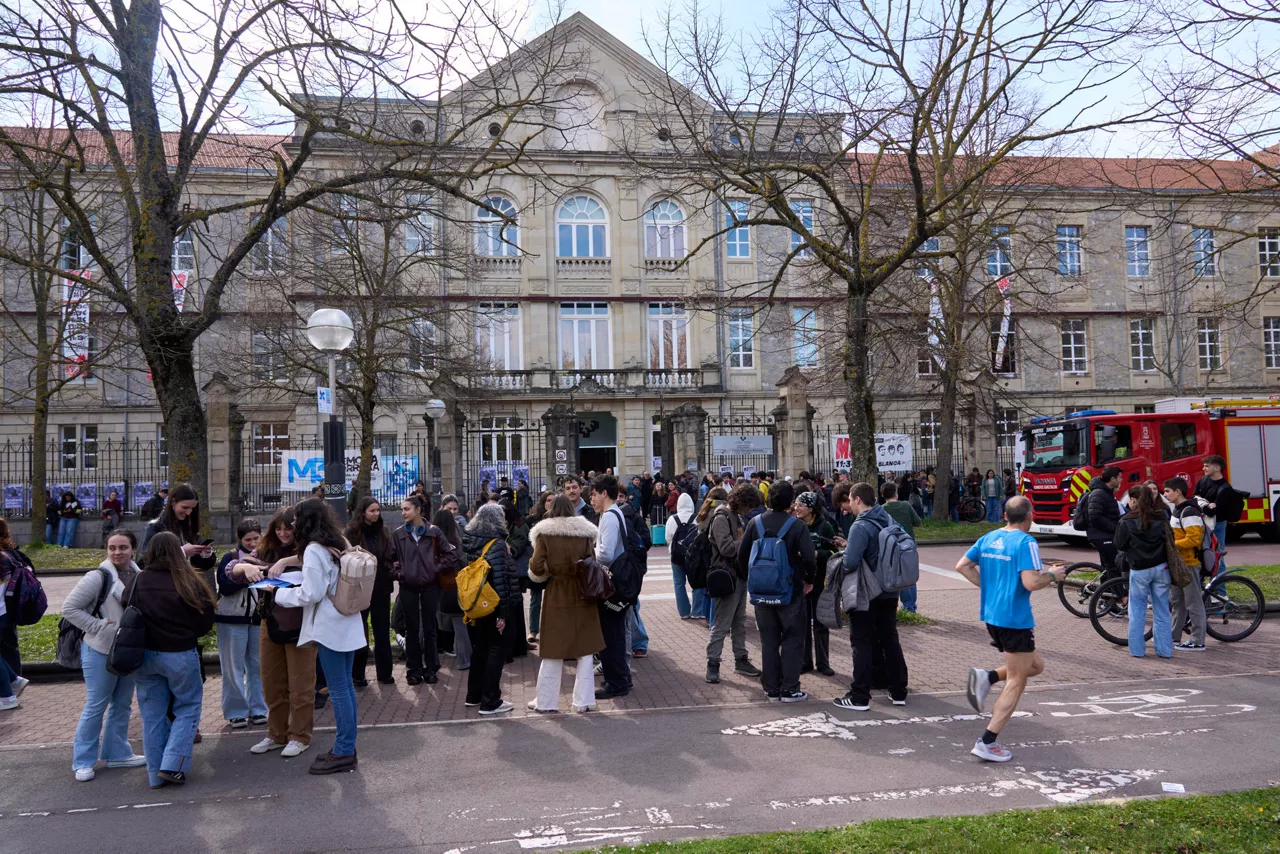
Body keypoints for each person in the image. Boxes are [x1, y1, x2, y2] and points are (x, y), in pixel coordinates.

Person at [955, 496, 1066, 762]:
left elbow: (962, 566)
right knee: (1018, 680)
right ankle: (987, 741)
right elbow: (1030, 583)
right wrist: (1053, 575)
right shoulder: (1027, 542)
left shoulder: (989, 537)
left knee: (1035, 666)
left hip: (992, 616)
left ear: (1005, 515)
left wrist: (991, 588)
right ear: (1030, 516)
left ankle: (988, 677)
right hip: (1015, 620)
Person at [275, 498, 365, 774]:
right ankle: (346, 747)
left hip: (330, 627)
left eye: (294, 520)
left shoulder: (314, 549)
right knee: (345, 689)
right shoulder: (338, 541)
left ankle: (344, 750)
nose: (291, 524)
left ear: (305, 521)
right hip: (348, 620)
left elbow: (311, 593)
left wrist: (279, 593)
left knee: (338, 691)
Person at [127, 531, 216, 787]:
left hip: (144, 654)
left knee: (152, 715)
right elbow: (205, 619)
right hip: (179, 652)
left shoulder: (138, 580)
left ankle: (156, 774)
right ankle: (173, 764)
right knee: (187, 708)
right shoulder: (187, 579)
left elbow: (127, 607)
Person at [62, 530, 147, 778]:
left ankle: (117, 753)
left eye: (122, 547)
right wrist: (98, 626)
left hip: (128, 650)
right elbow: (69, 608)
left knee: (122, 704)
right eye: (112, 548)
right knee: (96, 705)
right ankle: (83, 761)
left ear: (133, 549)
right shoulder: (97, 577)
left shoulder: (139, 575)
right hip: (99, 649)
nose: (117, 552)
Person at [241, 508, 313, 759]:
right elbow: (233, 567)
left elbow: (333, 555)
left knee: (300, 684)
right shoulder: (264, 549)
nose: (283, 534)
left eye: (288, 529)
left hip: (302, 624)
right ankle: (276, 734)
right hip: (270, 620)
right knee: (272, 682)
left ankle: (300, 736)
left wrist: (285, 561)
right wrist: (244, 568)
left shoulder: (311, 548)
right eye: (278, 529)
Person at [736, 482, 815, 702]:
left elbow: (742, 557)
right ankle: (790, 688)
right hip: (790, 591)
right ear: (791, 501)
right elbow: (809, 558)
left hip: (762, 591)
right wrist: (809, 580)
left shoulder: (754, 523)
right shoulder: (797, 526)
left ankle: (771, 687)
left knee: (768, 640)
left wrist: (752, 579)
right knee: (792, 638)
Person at [527, 495, 605, 713]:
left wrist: (546, 574)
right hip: (582, 591)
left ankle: (546, 701)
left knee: (553, 648)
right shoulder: (585, 533)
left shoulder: (545, 533)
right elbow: (592, 561)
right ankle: (583, 701)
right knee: (585, 648)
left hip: (557, 591)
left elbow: (535, 566)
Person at [834, 482, 908, 711]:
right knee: (889, 639)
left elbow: (851, 562)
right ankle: (898, 691)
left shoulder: (860, 525)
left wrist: (844, 552)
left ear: (856, 499)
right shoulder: (886, 518)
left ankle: (859, 696)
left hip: (867, 591)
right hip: (889, 589)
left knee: (861, 641)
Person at [461, 503, 521, 715]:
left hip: (479, 604)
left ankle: (474, 695)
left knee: (480, 648)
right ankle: (490, 700)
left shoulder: (470, 541)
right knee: (497, 650)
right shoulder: (496, 544)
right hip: (495, 606)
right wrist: (503, 613)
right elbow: (501, 581)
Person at [704, 484, 763, 685]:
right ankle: (713, 663)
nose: (750, 511)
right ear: (741, 502)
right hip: (726, 575)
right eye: (749, 506)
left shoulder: (735, 516)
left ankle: (741, 659)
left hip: (738, 574)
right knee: (721, 623)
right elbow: (727, 548)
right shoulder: (721, 517)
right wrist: (747, 540)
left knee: (739, 622)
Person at [391, 494, 450, 685]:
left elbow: (450, 555)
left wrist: (435, 569)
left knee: (430, 629)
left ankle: (431, 669)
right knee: (412, 629)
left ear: (418, 510)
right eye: (402, 509)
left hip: (430, 587)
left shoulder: (434, 532)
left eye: (406, 509)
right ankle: (413, 671)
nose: (403, 513)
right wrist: (400, 574)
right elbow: (389, 560)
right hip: (408, 587)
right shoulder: (399, 534)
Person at [214, 518, 267, 729]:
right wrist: (245, 574)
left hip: (256, 618)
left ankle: (258, 709)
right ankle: (236, 711)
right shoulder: (231, 557)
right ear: (240, 539)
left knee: (257, 665)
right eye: (248, 539)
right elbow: (224, 587)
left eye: (256, 538)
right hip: (231, 618)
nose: (253, 543)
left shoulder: (265, 557)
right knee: (232, 666)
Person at [1114, 485, 1174, 659]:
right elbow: (1170, 539)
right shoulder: (1162, 517)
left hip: (1139, 568)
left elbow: (1120, 544)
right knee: (1162, 609)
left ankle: (1137, 650)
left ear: (1134, 500)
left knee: (1137, 610)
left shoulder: (1126, 520)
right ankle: (1164, 650)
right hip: (1161, 566)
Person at [345, 497, 397, 685]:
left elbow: (389, 556)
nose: (376, 514)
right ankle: (358, 674)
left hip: (381, 587)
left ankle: (385, 673)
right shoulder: (352, 533)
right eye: (372, 511)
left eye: (378, 510)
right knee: (360, 631)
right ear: (363, 512)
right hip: (360, 588)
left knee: (382, 630)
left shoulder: (382, 531)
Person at [591, 475, 632, 700]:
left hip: (612, 582)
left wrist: (591, 551)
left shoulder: (609, 516)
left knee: (611, 635)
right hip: (620, 581)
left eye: (594, 494)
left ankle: (615, 682)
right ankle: (622, 678)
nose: (592, 500)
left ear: (603, 492)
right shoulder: (619, 512)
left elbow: (605, 554)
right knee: (616, 632)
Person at [792, 491, 836, 676]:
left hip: (819, 581)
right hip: (800, 581)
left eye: (801, 505)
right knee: (802, 623)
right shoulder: (794, 525)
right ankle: (805, 661)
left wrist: (819, 555)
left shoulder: (825, 527)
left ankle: (823, 662)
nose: (797, 508)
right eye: (796, 504)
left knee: (820, 622)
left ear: (811, 509)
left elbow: (834, 552)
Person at [1163, 477, 1207, 652]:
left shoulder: (1189, 512)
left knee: (1193, 602)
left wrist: (1172, 545)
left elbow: (1194, 539)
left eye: (1167, 491)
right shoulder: (1178, 510)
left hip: (1189, 563)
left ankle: (1197, 640)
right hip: (1179, 563)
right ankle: (1174, 635)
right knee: (1177, 601)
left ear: (1178, 492)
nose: (1165, 494)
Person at [141, 483, 215, 577]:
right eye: (185, 507)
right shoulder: (154, 527)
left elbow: (199, 565)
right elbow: (145, 560)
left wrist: (205, 554)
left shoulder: (188, 529)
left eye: (192, 508)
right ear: (173, 502)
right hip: (164, 585)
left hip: (186, 585)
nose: (189, 513)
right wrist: (181, 552)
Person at [431, 509, 471, 672]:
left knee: (434, 623)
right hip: (455, 586)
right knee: (459, 623)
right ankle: (464, 658)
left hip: (437, 586)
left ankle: (453, 658)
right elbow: (464, 562)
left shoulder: (432, 542)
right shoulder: (456, 541)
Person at [880, 481, 922, 614]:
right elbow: (918, 522)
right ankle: (910, 607)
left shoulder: (882, 509)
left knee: (896, 576)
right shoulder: (905, 505)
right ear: (896, 494)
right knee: (910, 575)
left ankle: (899, 605)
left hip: (891, 547)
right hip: (908, 545)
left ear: (882, 495)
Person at [666, 491, 707, 621]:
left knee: (679, 583)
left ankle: (684, 612)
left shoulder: (672, 519)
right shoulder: (696, 518)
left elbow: (668, 538)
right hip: (693, 557)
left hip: (676, 556)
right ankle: (697, 610)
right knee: (697, 582)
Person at [1194, 454, 1238, 574]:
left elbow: (1212, 511)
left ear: (1217, 468)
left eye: (1207, 466)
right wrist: (1206, 504)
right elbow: (1194, 498)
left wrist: (1204, 505)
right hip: (1203, 523)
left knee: (1218, 555)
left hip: (1217, 525)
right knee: (1204, 554)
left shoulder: (1225, 488)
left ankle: (1220, 590)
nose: (1203, 469)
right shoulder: (1203, 480)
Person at [525, 490, 557, 646]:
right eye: (548, 500)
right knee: (535, 599)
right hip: (538, 565)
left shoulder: (559, 521)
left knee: (552, 600)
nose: (550, 503)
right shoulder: (533, 520)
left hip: (553, 565)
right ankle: (533, 630)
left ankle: (551, 630)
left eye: (553, 500)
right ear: (543, 502)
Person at [501, 501, 532, 657]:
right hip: (512, 571)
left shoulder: (519, 526)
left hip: (516, 571)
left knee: (516, 607)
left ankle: (519, 645)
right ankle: (519, 644)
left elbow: (515, 548)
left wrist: (505, 547)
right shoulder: (510, 525)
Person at [1083, 466, 1124, 581]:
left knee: (1107, 566)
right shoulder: (1099, 493)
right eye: (1120, 477)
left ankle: (1105, 594)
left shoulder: (1106, 492)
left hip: (1103, 535)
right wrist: (1114, 527)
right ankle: (1122, 597)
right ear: (1112, 479)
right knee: (1113, 566)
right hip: (1101, 536)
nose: (1121, 480)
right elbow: (1095, 516)